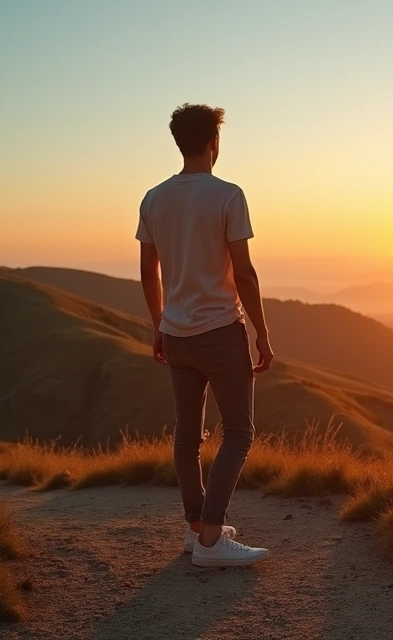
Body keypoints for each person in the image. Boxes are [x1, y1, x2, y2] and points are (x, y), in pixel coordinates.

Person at [136, 103, 274, 567]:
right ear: (215, 142)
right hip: (220, 332)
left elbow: (147, 273)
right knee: (238, 433)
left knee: (187, 435)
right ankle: (212, 541)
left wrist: (159, 325)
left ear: (179, 142)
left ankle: (196, 528)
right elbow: (245, 274)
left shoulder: (153, 198)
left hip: (175, 334)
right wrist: (262, 332)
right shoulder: (228, 195)